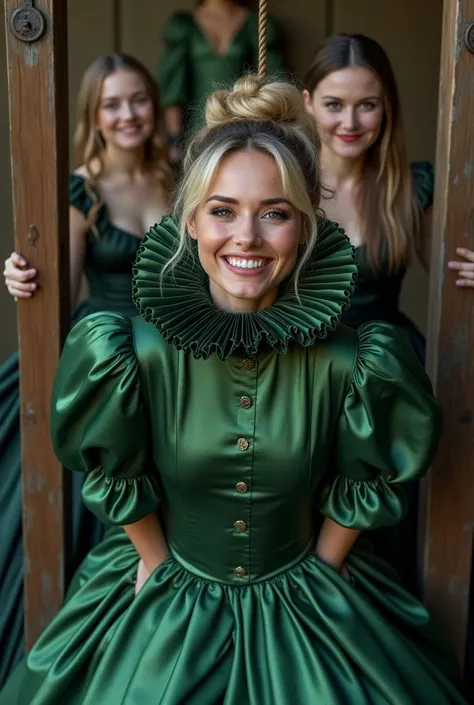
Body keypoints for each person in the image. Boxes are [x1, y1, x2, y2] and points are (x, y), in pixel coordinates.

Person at [0, 74, 467, 704]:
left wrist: (324, 572)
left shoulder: (354, 362)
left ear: (304, 227)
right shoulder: (131, 355)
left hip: (307, 584)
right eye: (222, 210)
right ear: (189, 221)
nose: (246, 236)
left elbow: (366, 478)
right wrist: (157, 562)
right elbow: (114, 470)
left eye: (274, 214)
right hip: (165, 581)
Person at [0, 52, 171, 687]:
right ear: (92, 116)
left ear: (154, 105)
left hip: (176, 366)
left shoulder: (180, 175)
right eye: (112, 103)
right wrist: (23, 279)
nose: (128, 114)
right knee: (100, 514)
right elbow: (63, 298)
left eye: (138, 99)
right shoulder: (80, 188)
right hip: (110, 374)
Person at [302, 33, 474, 592]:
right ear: (308, 103)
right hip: (308, 371)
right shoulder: (286, 184)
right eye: (334, 104)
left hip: (391, 375)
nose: (350, 121)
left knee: (393, 524)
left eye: (367, 104)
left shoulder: (410, 186)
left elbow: (454, 267)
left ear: (387, 107)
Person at [157, 0, 285, 162]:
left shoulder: (254, 23)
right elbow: (174, 84)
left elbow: (271, 79)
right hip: (197, 128)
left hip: (241, 123)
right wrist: (174, 138)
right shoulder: (184, 25)